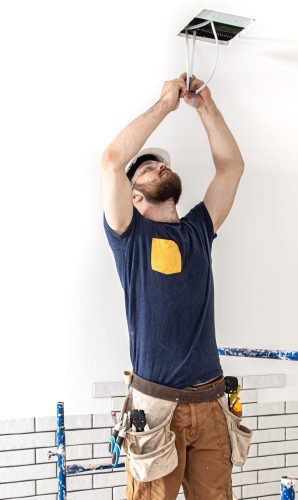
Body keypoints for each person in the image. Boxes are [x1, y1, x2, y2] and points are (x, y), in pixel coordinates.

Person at [101, 72, 245, 499]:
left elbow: (232, 167)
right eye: (146, 169)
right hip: (156, 408)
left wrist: (207, 107)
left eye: (161, 164)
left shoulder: (200, 228)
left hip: (211, 399)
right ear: (133, 196)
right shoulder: (129, 235)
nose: (160, 166)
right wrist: (166, 105)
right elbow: (111, 160)